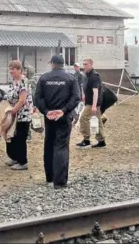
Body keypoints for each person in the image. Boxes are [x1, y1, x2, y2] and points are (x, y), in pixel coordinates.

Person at [34, 55, 80, 189]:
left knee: (49, 145)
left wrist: (46, 111)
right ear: (63, 64)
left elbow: (37, 98)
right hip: (64, 117)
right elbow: (76, 97)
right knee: (61, 146)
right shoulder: (71, 78)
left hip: (49, 117)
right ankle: (59, 181)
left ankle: (49, 176)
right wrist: (64, 110)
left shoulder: (43, 78)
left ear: (52, 63)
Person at [4, 60, 33, 170]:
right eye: (10, 68)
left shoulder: (23, 82)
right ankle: (15, 157)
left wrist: (13, 111)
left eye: (13, 69)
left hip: (22, 115)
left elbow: (22, 100)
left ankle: (22, 162)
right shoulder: (13, 81)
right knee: (12, 137)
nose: (11, 71)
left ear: (19, 70)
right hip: (13, 114)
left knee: (20, 138)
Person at [76, 58, 106, 149]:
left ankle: (86, 141)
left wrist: (93, 106)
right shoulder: (88, 75)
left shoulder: (94, 76)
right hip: (90, 102)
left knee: (83, 118)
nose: (84, 66)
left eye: (86, 64)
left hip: (92, 103)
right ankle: (101, 142)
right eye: (83, 64)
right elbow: (87, 87)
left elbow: (96, 92)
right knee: (98, 120)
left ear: (91, 65)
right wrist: (84, 95)